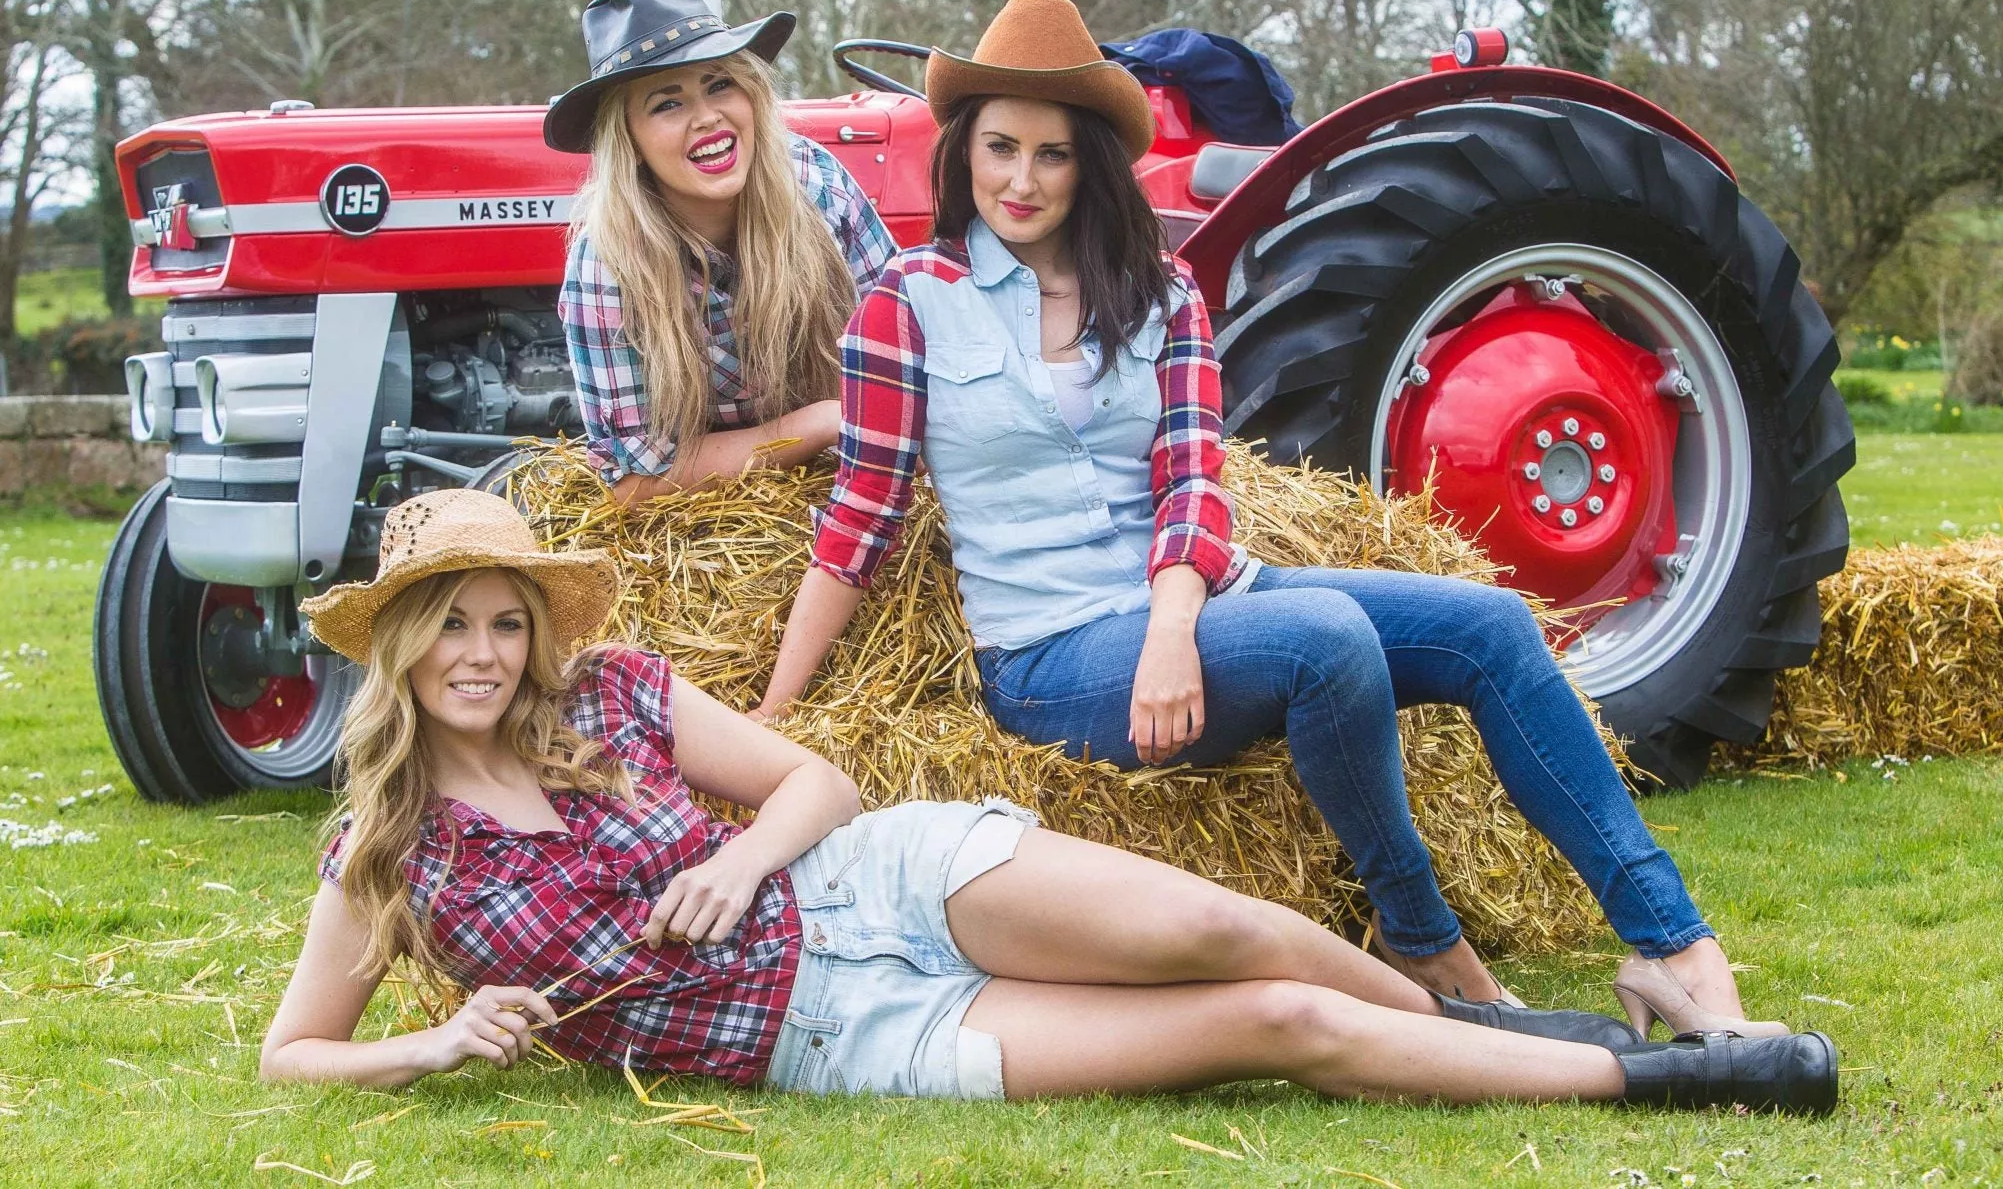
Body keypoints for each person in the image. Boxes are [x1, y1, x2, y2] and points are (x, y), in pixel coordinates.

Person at [758, 0, 1784, 1038]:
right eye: (999, 148)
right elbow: (860, 522)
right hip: (1053, 649)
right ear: (961, 153)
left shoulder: (1156, 292)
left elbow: (1191, 483)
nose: (1020, 180)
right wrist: (775, 719)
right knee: (1323, 641)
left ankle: (1672, 947)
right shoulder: (906, 305)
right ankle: (1420, 936)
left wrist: (1170, 629)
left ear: (1092, 165)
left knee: (1491, 625)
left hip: (1195, 604)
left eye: (1052, 155)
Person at [260, 488, 1835, 1115]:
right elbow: (291, 1053)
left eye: (500, 615)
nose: (481, 650)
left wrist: (745, 856)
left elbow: (822, 773)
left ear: (536, 623)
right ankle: (1680, 1087)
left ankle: (1496, 1031)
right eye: (447, 623)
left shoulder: (615, 692)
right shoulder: (386, 852)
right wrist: (434, 1038)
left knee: (1236, 926)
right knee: (1265, 1022)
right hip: (836, 1037)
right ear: (397, 648)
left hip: (872, 882)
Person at [546, 0, 898, 506]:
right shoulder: (607, 265)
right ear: (630, 140)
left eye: (719, 85)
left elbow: (907, 345)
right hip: (706, 520)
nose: (707, 118)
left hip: (851, 479)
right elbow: (633, 483)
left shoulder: (816, 184)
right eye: (668, 104)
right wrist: (823, 424)